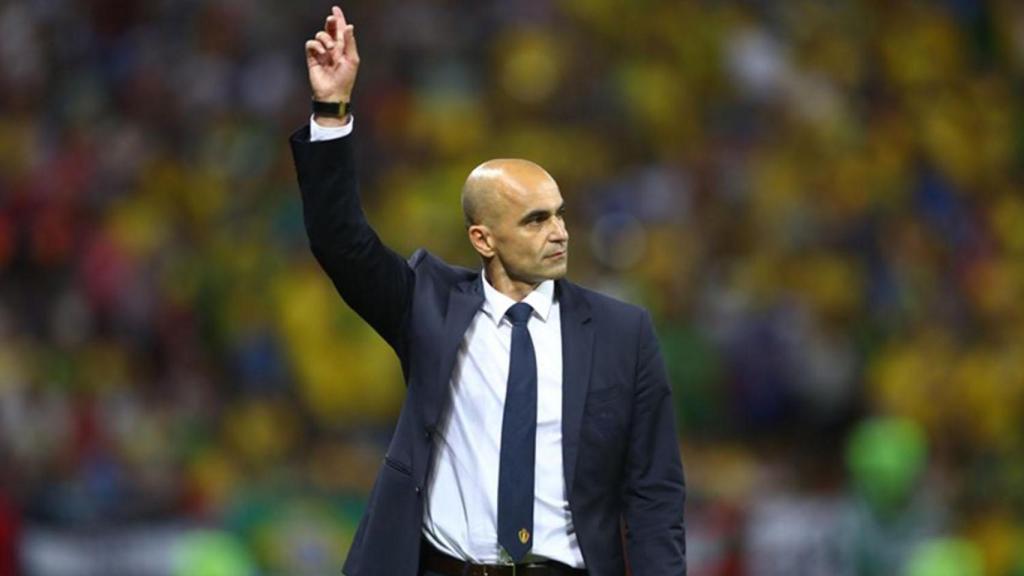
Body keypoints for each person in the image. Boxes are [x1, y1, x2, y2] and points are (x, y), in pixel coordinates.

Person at [290, 6, 686, 576]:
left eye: (559, 215)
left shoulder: (625, 335)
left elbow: (654, 496)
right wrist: (331, 110)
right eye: (534, 220)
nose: (559, 232)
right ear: (483, 238)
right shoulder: (428, 307)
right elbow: (338, 240)